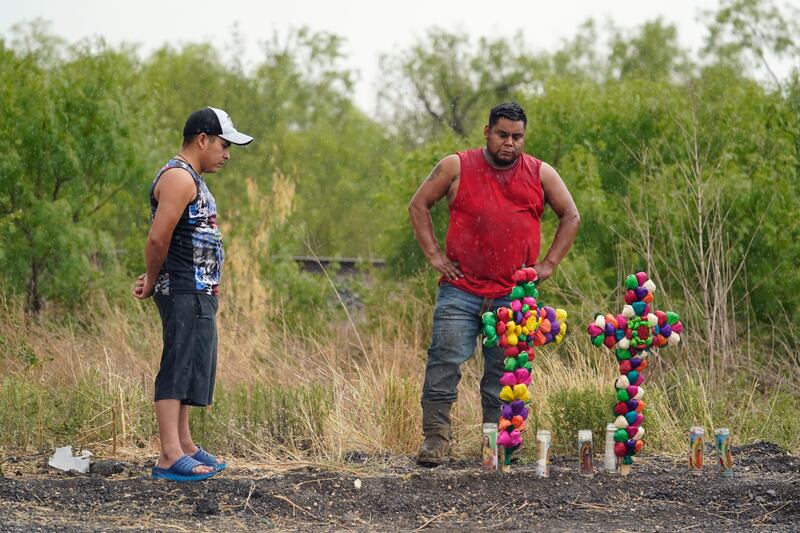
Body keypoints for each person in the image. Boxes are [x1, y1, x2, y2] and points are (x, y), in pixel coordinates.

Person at [408, 102, 580, 466]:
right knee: (444, 363)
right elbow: (418, 205)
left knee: (503, 374)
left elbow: (571, 215)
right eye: (502, 134)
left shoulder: (540, 173)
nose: (510, 143)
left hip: (513, 295)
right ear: (487, 132)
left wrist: (548, 264)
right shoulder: (457, 165)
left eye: (517, 136)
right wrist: (436, 257)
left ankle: (497, 444)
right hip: (460, 289)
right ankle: (435, 439)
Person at [132, 107, 253, 481]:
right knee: (177, 363)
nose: (227, 153)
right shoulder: (178, 178)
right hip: (183, 287)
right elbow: (158, 237)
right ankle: (169, 455)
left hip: (197, 289)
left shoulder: (192, 179)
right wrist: (153, 279)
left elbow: (179, 237)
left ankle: (183, 443)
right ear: (202, 139)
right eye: (223, 144)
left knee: (193, 365)